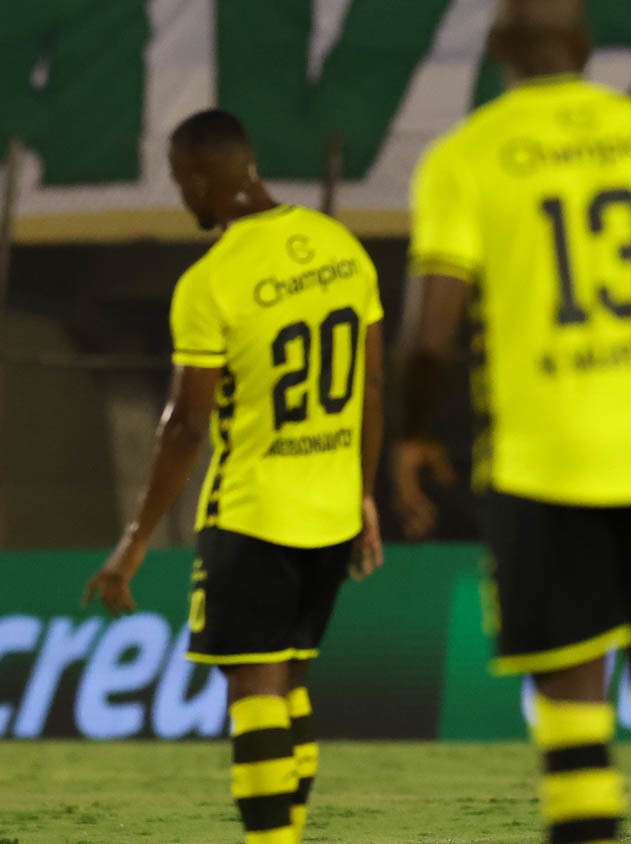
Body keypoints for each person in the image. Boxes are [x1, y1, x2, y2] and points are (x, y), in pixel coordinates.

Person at [394, 1, 631, 841]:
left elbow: (429, 337)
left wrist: (412, 437)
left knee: (570, 714)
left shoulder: (464, 156)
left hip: (539, 460)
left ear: (494, 52)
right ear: (587, 45)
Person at [82, 109, 385, 844]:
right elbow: (373, 389)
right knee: (291, 680)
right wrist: (363, 492)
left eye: (179, 182)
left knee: (253, 685)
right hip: (330, 506)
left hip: (253, 511)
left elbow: (186, 425)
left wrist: (135, 539)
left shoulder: (211, 282)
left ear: (196, 178)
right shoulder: (341, 248)